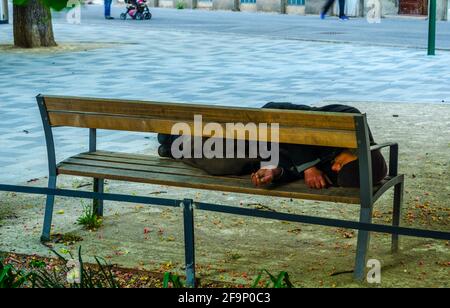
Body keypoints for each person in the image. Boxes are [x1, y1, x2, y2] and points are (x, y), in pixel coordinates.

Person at [157, 103, 387, 190]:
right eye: (342, 165)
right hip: (269, 125)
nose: (334, 169)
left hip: (273, 153)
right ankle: (172, 137)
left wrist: (275, 171)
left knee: (223, 164)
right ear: (358, 154)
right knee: (221, 144)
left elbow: (293, 170)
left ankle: (173, 145)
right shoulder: (350, 119)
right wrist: (310, 166)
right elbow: (295, 122)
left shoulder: (343, 172)